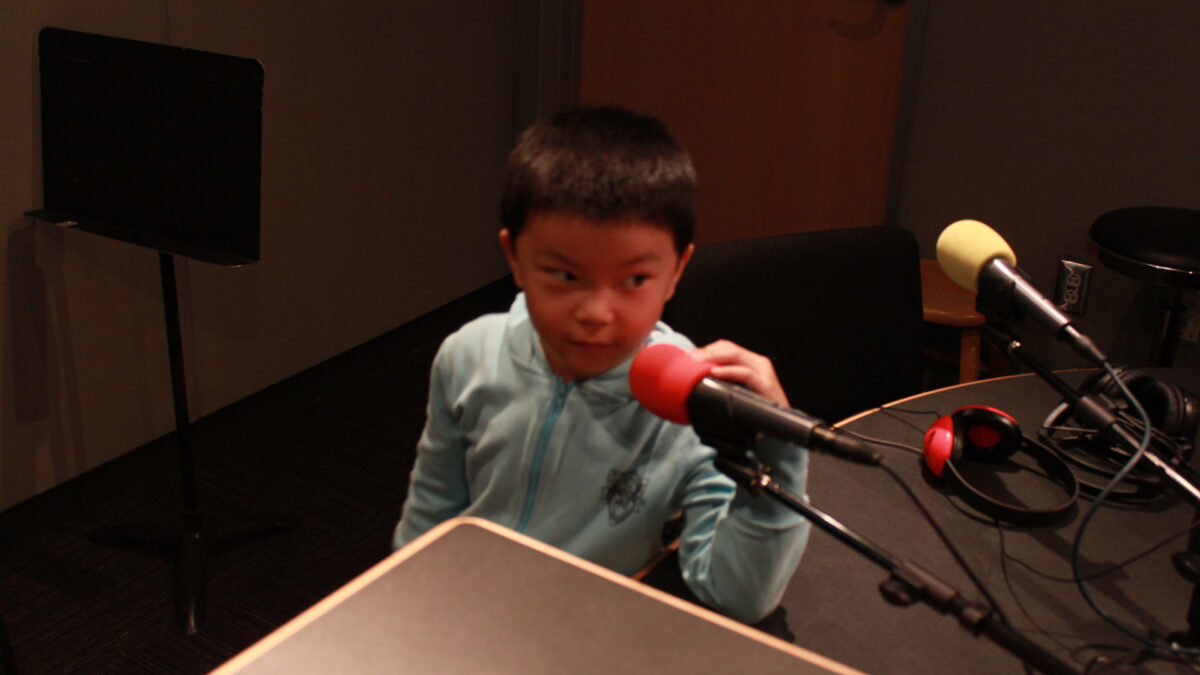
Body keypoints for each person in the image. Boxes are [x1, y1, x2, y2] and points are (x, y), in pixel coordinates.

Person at [393, 106, 810, 624]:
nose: (595, 314)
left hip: (590, 629)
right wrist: (405, 607)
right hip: (469, 609)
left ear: (677, 270)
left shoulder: (693, 403)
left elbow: (737, 596)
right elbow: (432, 510)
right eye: (563, 275)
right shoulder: (467, 354)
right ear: (515, 258)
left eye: (634, 280)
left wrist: (779, 456)